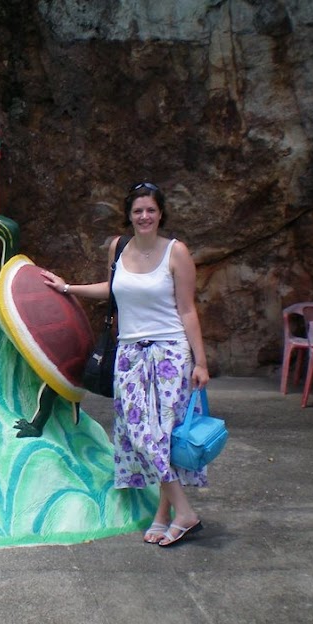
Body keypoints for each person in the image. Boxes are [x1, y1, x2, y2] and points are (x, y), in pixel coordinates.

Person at [40, 182, 210, 547]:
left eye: (150, 210)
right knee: (138, 430)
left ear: (160, 213)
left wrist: (201, 361)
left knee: (162, 435)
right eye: (138, 211)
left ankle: (168, 515)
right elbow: (113, 289)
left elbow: (187, 309)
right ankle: (181, 511)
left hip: (170, 353)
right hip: (130, 354)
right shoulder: (118, 248)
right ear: (129, 215)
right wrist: (68, 288)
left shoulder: (176, 252)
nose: (144, 216)